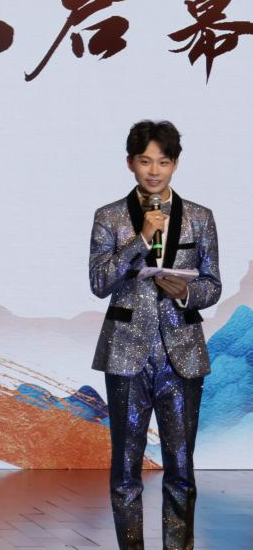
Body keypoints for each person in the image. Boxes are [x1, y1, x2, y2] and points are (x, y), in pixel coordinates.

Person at [90, 120, 220, 550]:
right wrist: (140, 240)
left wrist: (187, 292)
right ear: (130, 163)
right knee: (126, 470)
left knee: (181, 469)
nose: (154, 171)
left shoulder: (200, 217)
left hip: (182, 353)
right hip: (126, 353)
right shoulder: (109, 217)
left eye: (163, 162)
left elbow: (213, 285)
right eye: (145, 161)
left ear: (175, 164)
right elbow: (99, 282)